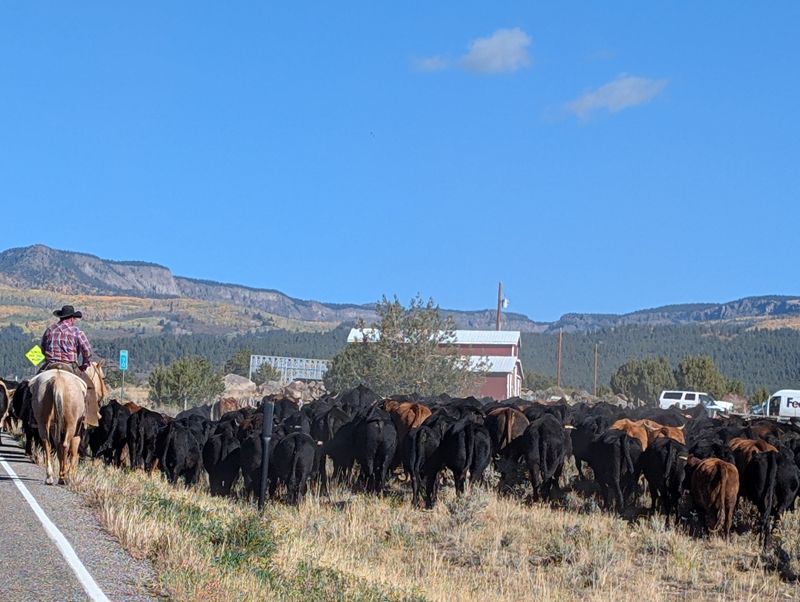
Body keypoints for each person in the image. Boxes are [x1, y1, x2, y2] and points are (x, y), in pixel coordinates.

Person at [39, 304, 99, 427]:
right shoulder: (77, 332)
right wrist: (85, 364)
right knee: (90, 387)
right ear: (72, 318)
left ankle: (31, 417)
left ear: (61, 317)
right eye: (74, 319)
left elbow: (43, 348)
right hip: (69, 366)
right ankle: (89, 419)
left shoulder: (49, 330)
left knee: (31, 386)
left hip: (50, 364)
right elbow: (87, 351)